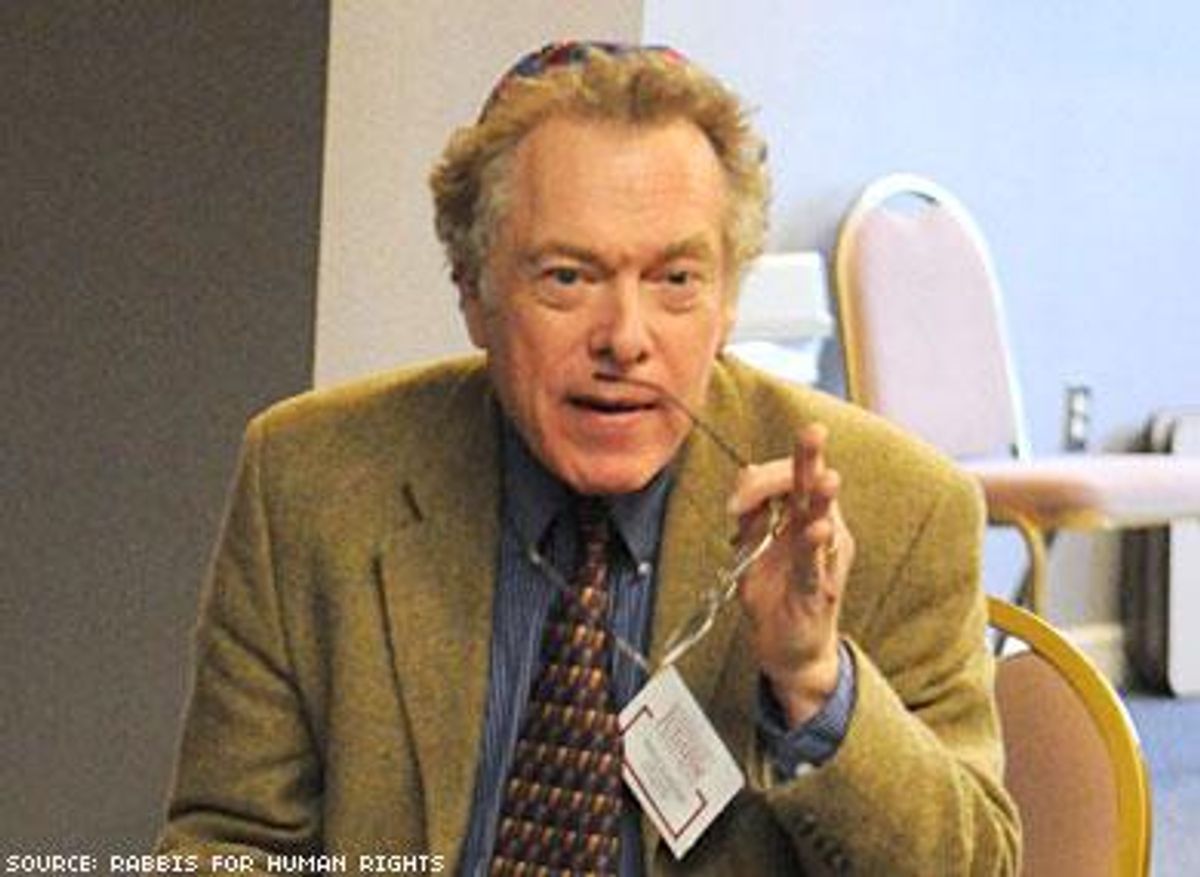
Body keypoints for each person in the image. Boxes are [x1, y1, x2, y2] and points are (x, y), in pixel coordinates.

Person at [158, 42, 1019, 875]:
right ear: (473, 291)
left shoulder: (901, 508)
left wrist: (812, 681)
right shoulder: (313, 478)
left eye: (676, 280)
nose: (625, 339)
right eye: (568, 277)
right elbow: (229, 840)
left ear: (727, 301)